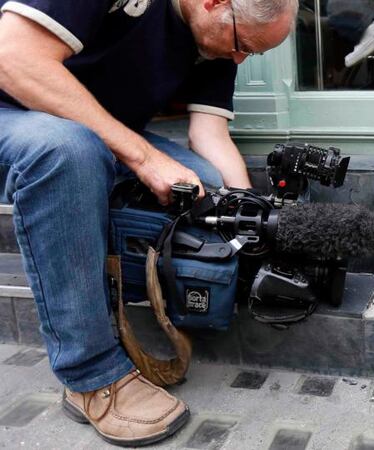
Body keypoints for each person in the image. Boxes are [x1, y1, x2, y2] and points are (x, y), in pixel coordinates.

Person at [0, 0, 296, 446]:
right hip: (15, 111)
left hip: (91, 129)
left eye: (249, 54)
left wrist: (249, 215)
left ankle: (117, 281)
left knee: (205, 185)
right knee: (67, 152)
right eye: (242, 47)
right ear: (214, 3)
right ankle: (91, 373)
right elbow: (12, 57)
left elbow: (208, 137)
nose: (239, 59)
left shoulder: (218, 39)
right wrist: (142, 157)